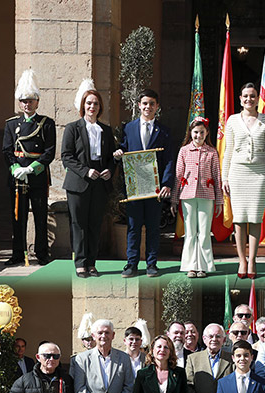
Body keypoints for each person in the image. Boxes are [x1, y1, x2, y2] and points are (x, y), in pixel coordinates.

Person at [114, 89, 174, 278]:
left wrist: (166, 184)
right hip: (135, 186)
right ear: (139, 105)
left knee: (153, 227)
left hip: (155, 188)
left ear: (157, 106)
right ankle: (131, 264)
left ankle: (151, 264)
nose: (148, 107)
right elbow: (124, 149)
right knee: (133, 226)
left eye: (152, 104)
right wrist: (118, 154)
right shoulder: (128, 128)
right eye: (145, 103)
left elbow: (170, 159)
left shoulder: (164, 131)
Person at [61, 80, 116, 278]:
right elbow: (66, 156)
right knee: (79, 224)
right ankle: (80, 263)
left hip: (100, 183)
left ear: (100, 107)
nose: (92, 107)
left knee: (95, 224)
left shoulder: (106, 130)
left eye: (96, 104)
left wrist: (110, 170)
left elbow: (111, 157)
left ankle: (92, 263)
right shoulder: (72, 128)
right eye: (89, 103)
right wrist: (85, 171)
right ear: (83, 105)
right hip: (78, 183)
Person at [2, 69, 56, 267]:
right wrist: (16, 168)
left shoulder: (47, 124)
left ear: (37, 102)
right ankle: (18, 254)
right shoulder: (11, 125)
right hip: (17, 177)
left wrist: (31, 169)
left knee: (40, 216)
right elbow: (7, 151)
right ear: (19, 103)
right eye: (24, 101)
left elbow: (49, 152)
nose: (27, 104)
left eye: (31, 100)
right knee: (18, 217)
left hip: (37, 176)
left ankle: (42, 253)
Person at [222, 83, 265, 278]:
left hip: (259, 174)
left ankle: (252, 260)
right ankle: (241, 260)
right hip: (237, 174)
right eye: (245, 96)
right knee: (239, 219)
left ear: (257, 99)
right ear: (240, 98)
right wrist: (224, 177)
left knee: (255, 218)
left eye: (252, 96)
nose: (249, 99)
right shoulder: (232, 120)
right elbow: (227, 150)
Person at [172, 117, 223, 277]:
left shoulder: (212, 152)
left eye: (202, 132)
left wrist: (219, 201)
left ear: (207, 133)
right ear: (190, 133)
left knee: (204, 231)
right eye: (195, 132)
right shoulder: (184, 151)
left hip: (207, 195)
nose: (198, 136)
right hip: (187, 195)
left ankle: (204, 266)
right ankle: (190, 266)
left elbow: (217, 176)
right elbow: (178, 175)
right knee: (190, 232)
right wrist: (174, 199)